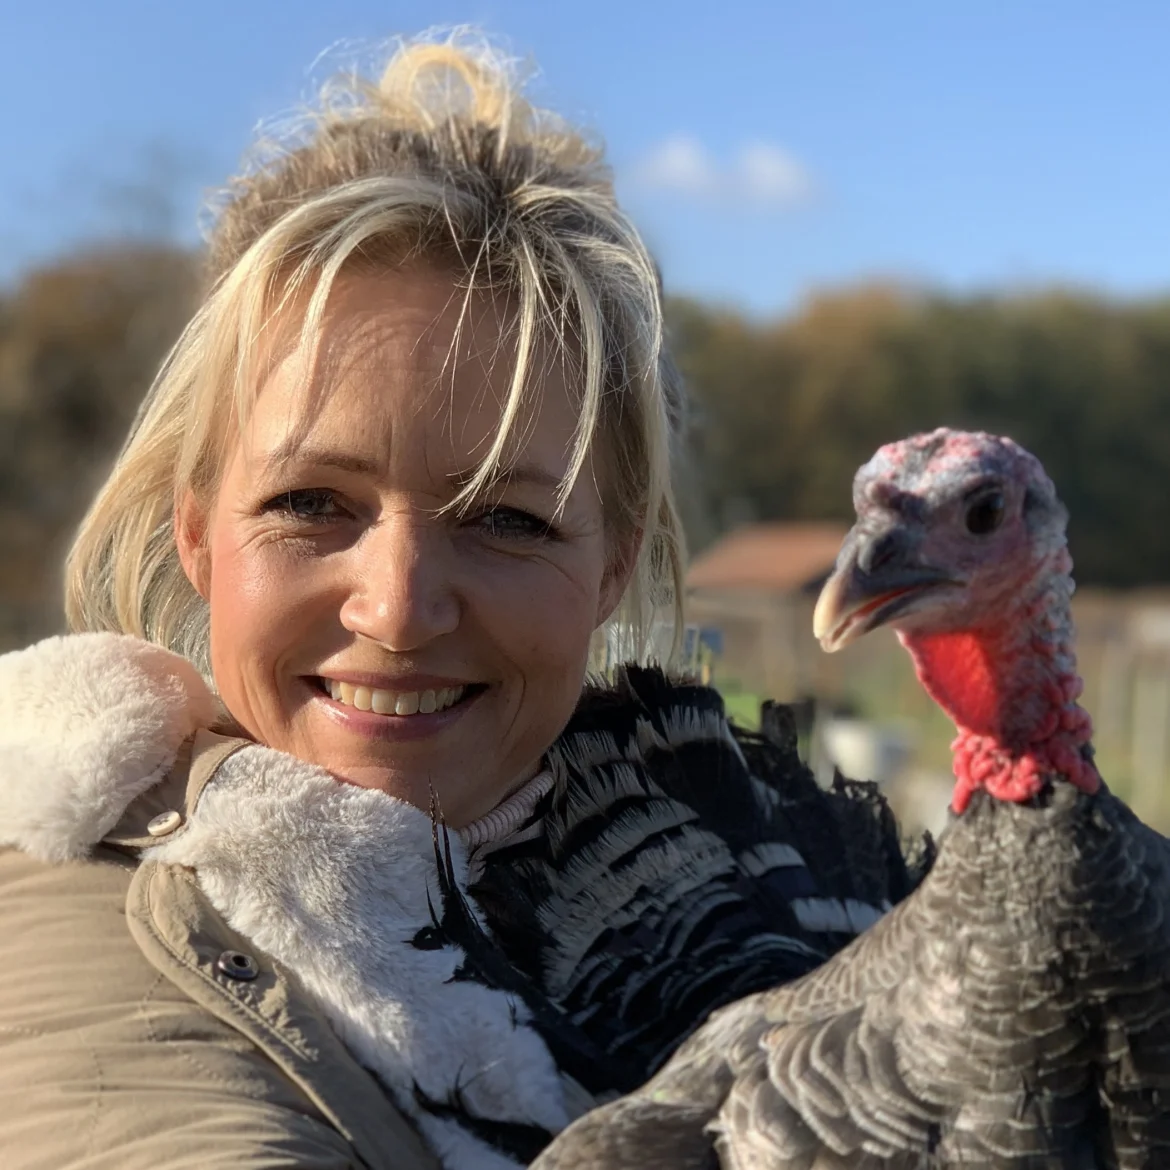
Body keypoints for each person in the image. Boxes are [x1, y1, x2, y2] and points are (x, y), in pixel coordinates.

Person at [0, 31, 922, 1170]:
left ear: (611, 566)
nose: (398, 608)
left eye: (507, 519)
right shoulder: (61, 897)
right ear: (197, 534)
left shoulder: (806, 889)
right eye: (309, 502)